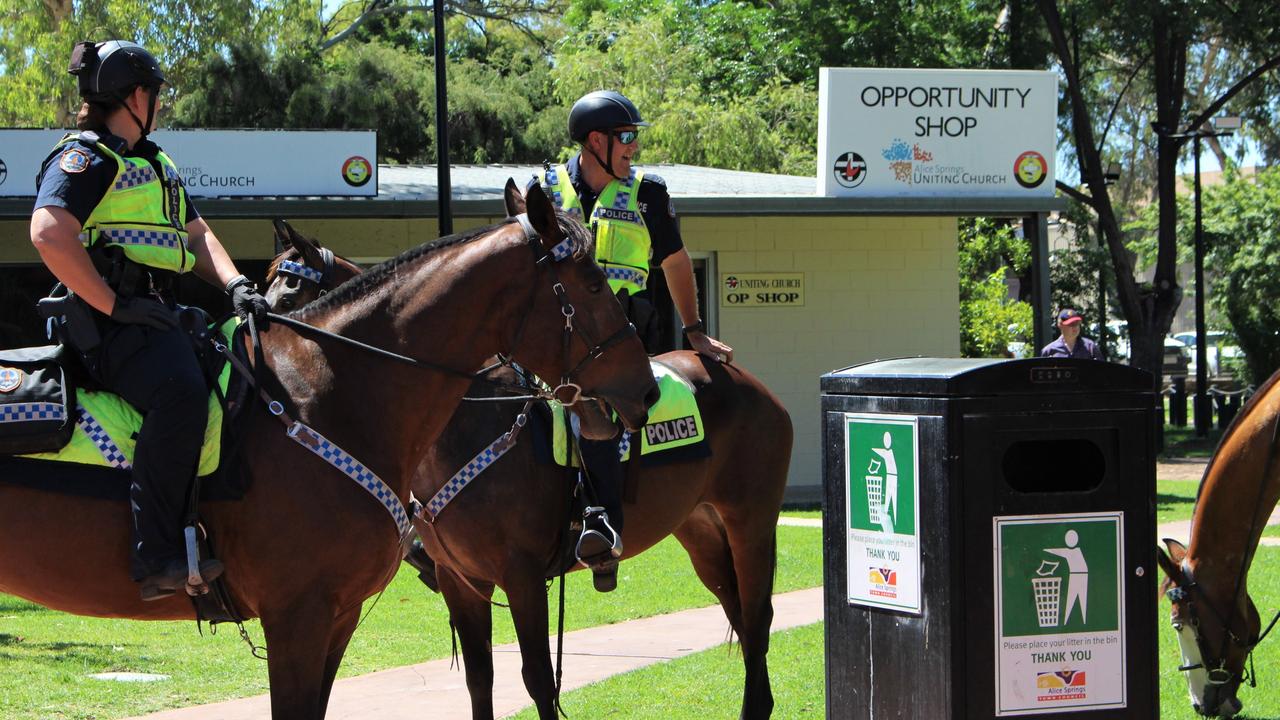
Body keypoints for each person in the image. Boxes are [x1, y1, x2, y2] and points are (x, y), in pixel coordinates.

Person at [29, 40, 270, 601]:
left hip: (155, 318)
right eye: (156, 95)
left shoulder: (155, 163)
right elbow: (48, 232)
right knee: (180, 393)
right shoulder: (87, 157)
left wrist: (236, 285)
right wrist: (113, 305)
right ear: (137, 96)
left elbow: (197, 235)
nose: (159, 105)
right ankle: (158, 555)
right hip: (107, 325)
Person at [529, 90, 734, 589]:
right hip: (549, 344)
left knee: (594, 412)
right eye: (626, 138)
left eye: (634, 138)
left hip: (620, 346)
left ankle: (603, 525)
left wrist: (696, 332)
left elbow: (676, 263)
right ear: (595, 142)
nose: (633, 148)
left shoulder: (648, 194)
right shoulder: (544, 190)